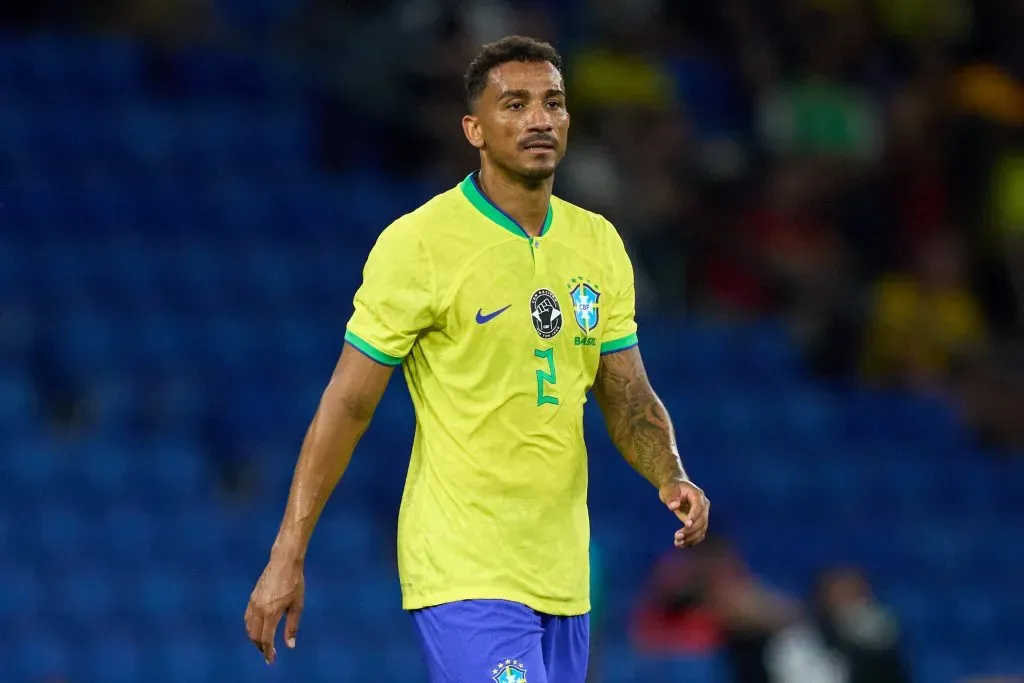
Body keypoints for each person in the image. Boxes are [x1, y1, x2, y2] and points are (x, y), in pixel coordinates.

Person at [244, 35, 710, 683]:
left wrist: (670, 472)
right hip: (464, 567)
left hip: (563, 574)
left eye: (553, 103)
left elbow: (626, 392)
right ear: (474, 128)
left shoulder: (597, 244)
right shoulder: (421, 244)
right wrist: (287, 550)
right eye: (514, 104)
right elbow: (348, 404)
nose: (540, 119)